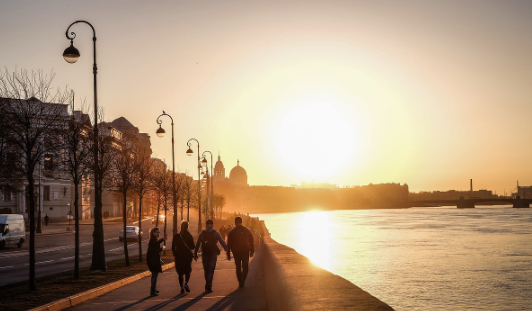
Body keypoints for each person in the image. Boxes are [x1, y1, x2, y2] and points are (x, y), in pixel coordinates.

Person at [194, 219, 228, 293]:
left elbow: (198, 243)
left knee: (206, 270)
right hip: (213, 254)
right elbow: (222, 242)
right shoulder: (216, 233)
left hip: (205, 254)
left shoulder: (202, 233)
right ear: (213, 225)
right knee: (211, 270)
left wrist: (195, 253)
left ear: (206, 225)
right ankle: (208, 285)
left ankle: (207, 284)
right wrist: (227, 249)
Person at [227, 216, 255, 288]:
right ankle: (243, 280)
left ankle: (240, 281)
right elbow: (252, 241)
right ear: (241, 222)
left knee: (238, 267)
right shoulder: (247, 230)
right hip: (245, 251)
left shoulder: (232, 232)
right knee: (245, 267)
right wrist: (252, 250)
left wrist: (228, 254)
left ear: (235, 223)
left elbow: (229, 243)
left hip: (236, 252)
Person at [172, 220, 195, 294]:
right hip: (187, 256)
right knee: (187, 270)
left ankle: (181, 288)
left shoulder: (176, 236)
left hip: (179, 256)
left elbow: (173, 246)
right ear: (187, 227)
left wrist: (175, 254)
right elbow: (192, 246)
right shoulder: (189, 235)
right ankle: (186, 283)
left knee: (180, 273)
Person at [147, 227, 166, 296]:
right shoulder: (152, 240)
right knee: (154, 275)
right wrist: (162, 239)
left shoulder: (154, 240)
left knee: (155, 275)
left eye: (159, 232)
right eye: (157, 232)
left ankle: (154, 289)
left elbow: (156, 250)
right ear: (153, 233)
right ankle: (152, 291)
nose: (158, 233)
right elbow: (155, 244)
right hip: (152, 261)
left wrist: (162, 249)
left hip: (154, 260)